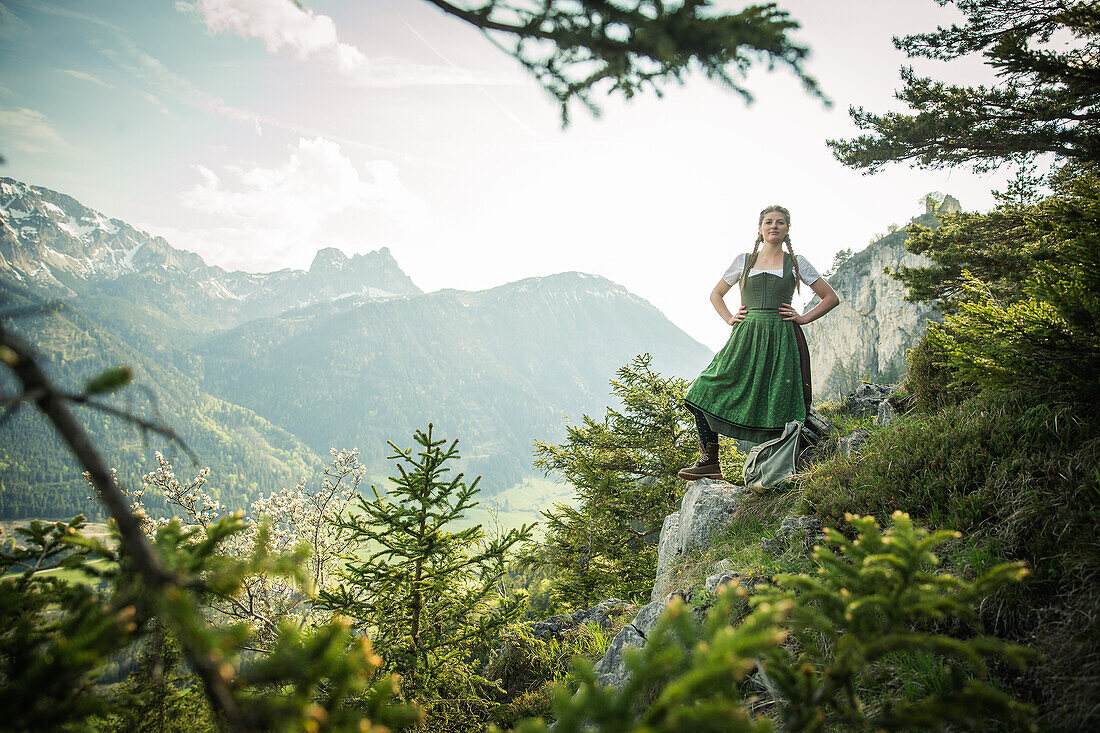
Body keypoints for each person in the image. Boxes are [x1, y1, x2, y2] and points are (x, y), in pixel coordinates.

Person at [678, 204, 840, 480]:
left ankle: (777, 469)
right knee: (704, 389)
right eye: (768, 222)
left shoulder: (797, 262)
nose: (774, 226)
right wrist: (730, 317)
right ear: (760, 228)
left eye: (779, 222)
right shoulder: (744, 261)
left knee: (778, 399)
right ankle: (709, 460)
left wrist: (802, 318)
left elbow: (830, 297)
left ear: (788, 229)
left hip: (782, 338)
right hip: (746, 337)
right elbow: (716, 294)